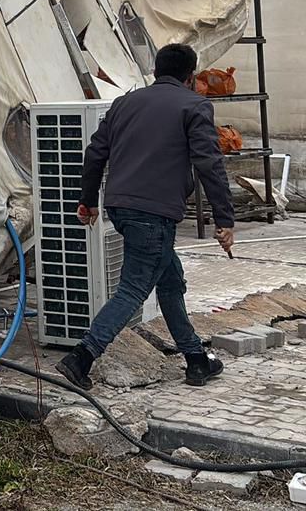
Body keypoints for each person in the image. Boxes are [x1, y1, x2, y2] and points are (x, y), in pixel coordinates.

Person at [56, 43, 235, 391]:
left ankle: (196, 360)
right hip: (155, 213)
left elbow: (95, 153)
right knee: (133, 288)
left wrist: (87, 200)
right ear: (191, 77)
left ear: (155, 71)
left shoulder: (125, 103)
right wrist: (224, 220)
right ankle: (81, 358)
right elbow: (209, 164)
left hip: (121, 207)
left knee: (169, 281)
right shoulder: (195, 105)